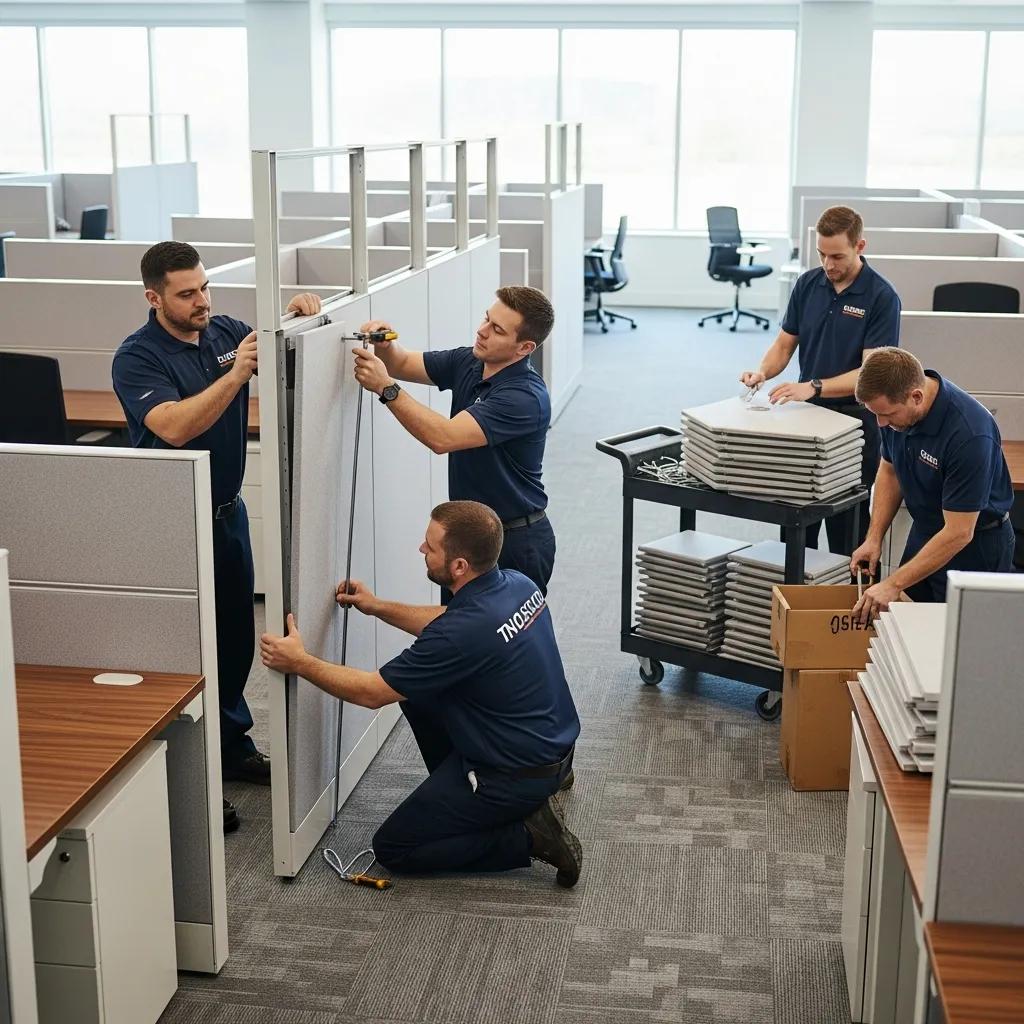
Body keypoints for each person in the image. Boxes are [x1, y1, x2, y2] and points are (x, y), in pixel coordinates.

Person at [259, 500, 583, 887]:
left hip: (516, 775)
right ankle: (477, 794)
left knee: (395, 847)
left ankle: (529, 835)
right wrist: (377, 606)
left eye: (430, 546)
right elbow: (450, 619)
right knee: (419, 693)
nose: (421, 550)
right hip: (553, 752)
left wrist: (299, 662)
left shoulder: (461, 635)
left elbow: (372, 693)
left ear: (459, 566)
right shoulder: (516, 583)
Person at [112, 240, 322, 833]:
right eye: (186, 293)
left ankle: (230, 746)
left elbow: (275, 349)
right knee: (189, 653)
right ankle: (196, 777)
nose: (202, 301)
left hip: (229, 514)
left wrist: (302, 317)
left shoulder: (225, 328)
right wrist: (237, 373)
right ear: (155, 298)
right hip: (173, 518)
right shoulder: (137, 358)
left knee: (233, 638)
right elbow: (176, 427)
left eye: (204, 287)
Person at [350, 286, 557, 595]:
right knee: (460, 629)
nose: (482, 331)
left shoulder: (523, 397)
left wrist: (386, 389)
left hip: (514, 539)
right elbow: (402, 363)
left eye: (497, 330)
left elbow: (442, 437)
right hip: (471, 537)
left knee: (503, 638)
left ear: (524, 348)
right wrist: (386, 342)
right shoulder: (471, 361)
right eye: (486, 319)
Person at [740, 206, 902, 555]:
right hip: (805, 421)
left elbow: (870, 374)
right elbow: (784, 344)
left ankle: (845, 607)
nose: (828, 265)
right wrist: (763, 372)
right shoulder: (808, 284)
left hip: (854, 425)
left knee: (847, 535)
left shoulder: (882, 297)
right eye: (822, 254)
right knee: (798, 529)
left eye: (837, 256)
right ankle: (796, 606)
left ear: (860, 246)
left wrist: (813, 387)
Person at [850, 348, 1014, 619]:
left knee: (963, 645)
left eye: (888, 415)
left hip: (975, 545)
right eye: (876, 415)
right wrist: (874, 536)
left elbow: (960, 532)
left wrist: (893, 583)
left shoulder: (969, 434)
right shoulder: (893, 413)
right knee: (906, 629)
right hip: (927, 531)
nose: (881, 423)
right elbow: (890, 471)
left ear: (916, 396)